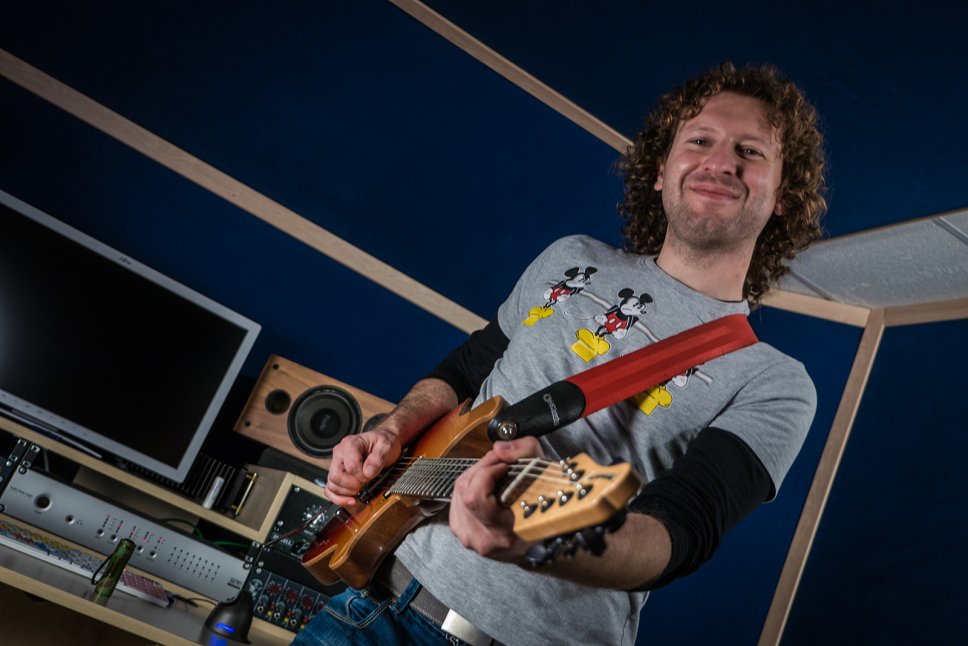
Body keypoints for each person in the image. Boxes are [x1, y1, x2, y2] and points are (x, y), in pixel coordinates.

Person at [294, 61, 827, 646]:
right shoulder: (569, 257)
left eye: (750, 151)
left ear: (784, 195)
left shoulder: (774, 382)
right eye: (700, 140)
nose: (720, 162)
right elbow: (465, 371)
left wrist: (542, 537)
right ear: (660, 169)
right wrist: (391, 433)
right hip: (368, 607)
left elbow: (680, 531)